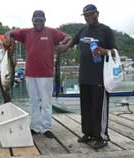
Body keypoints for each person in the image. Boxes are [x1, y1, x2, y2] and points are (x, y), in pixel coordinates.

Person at [58, 4, 117, 149]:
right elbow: (74, 41)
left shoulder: (106, 30)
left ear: (97, 14)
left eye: (90, 14)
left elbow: (115, 51)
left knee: (99, 107)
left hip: (100, 77)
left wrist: (104, 51)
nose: (88, 17)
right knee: (86, 107)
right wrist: (65, 48)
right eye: (85, 15)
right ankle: (88, 133)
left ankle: (102, 136)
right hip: (84, 76)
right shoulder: (83, 30)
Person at [5, 10, 71, 138]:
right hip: (30, 73)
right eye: (36, 20)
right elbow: (9, 33)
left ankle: (46, 127)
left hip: (46, 73)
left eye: (41, 20)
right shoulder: (26, 32)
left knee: (46, 102)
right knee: (33, 101)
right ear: (32, 21)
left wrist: (64, 45)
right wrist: (7, 39)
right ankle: (35, 127)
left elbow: (68, 37)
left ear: (45, 20)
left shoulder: (52, 32)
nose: (38, 22)